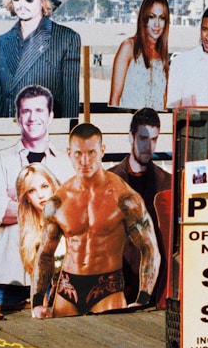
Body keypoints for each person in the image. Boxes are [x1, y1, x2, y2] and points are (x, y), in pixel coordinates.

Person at [32, 123, 161, 318]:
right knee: (60, 345)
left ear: (102, 151)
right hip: (68, 289)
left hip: (107, 289)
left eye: (91, 153)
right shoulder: (59, 201)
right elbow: (45, 254)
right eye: (78, 154)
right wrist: (36, 302)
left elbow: (149, 248)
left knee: (109, 346)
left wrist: (143, 298)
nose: (85, 161)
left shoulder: (124, 197)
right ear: (69, 153)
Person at [0, 85, 73, 311]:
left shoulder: (67, 164)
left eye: (39, 111)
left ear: (50, 116)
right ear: (18, 117)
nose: (32, 118)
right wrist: (50, 204)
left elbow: (72, 213)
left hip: (56, 273)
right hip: (4, 273)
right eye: (26, 111)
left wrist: (17, 200)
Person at [0, 0, 82, 129]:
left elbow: (70, 97)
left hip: (44, 130)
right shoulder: (3, 41)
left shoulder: (66, 38)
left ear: (43, 1)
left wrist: (70, 132)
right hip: (9, 128)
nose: (21, 4)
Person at [108, 108, 172, 305]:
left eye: (154, 139)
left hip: (154, 289)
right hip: (117, 286)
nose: (148, 146)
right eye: (143, 138)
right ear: (131, 137)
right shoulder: (109, 181)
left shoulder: (167, 182)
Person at [109, 0, 170, 111]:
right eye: (152, 17)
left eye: (162, 18)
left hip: (156, 127)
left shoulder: (163, 57)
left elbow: (164, 103)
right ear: (144, 19)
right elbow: (114, 100)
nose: (157, 24)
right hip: (131, 125)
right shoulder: (128, 47)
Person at [14, 164, 62, 303]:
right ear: (27, 198)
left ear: (53, 186)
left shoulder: (72, 218)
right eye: (32, 191)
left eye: (44, 187)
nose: (40, 195)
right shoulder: (30, 232)